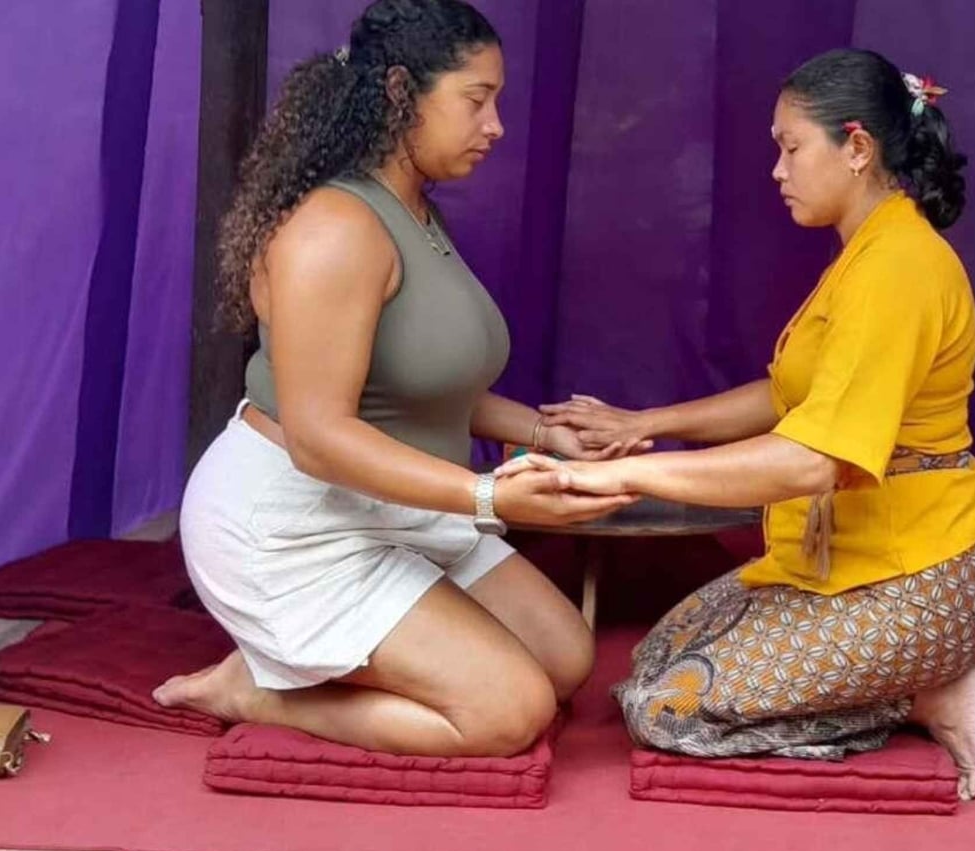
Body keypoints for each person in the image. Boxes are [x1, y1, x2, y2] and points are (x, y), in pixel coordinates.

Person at [510, 49, 975, 799]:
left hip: (915, 581)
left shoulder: (900, 268)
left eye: (790, 147)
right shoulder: (867, 251)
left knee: (663, 710)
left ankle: (921, 690)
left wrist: (621, 472)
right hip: (842, 563)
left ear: (858, 149)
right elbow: (789, 393)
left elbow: (812, 459)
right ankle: (906, 682)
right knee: (649, 663)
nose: (777, 169)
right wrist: (645, 424)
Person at [154, 0, 639, 757]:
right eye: (476, 101)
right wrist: (488, 494)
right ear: (399, 94)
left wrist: (548, 434)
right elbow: (318, 437)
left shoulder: (415, 211)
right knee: (510, 711)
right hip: (295, 522)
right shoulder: (335, 229)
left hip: (390, 504)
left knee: (564, 656)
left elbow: (420, 385)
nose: (496, 126)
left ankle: (360, 655)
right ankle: (256, 690)